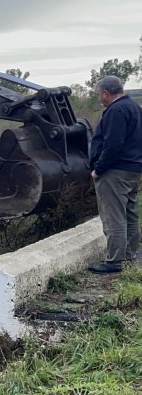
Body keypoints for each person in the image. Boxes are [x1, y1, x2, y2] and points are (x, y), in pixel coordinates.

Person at [88, 75, 142, 274]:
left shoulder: (116, 111)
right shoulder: (135, 108)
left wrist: (98, 169)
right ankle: (129, 255)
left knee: (114, 216)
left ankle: (115, 261)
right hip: (133, 168)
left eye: (98, 95)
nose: (99, 99)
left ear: (105, 93)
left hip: (115, 171)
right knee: (130, 213)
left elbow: (113, 145)